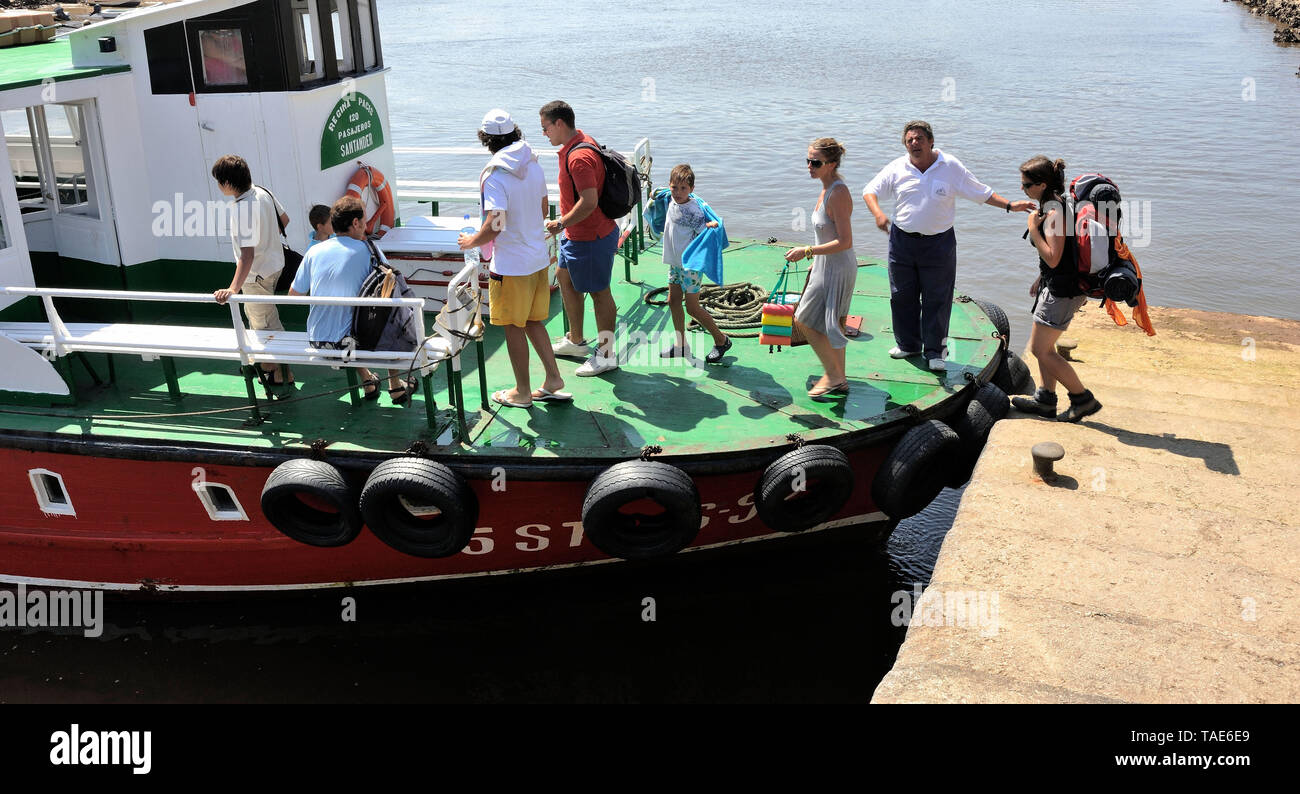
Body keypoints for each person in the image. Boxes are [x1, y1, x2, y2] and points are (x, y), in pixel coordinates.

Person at [863, 121, 1034, 372]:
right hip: (901, 241)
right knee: (901, 296)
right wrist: (878, 214)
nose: (914, 143)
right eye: (909, 140)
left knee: (938, 299)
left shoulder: (950, 166)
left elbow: (980, 192)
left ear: (931, 141)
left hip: (939, 243)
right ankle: (908, 344)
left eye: (919, 138)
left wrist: (1010, 205)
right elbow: (870, 191)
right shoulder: (897, 167)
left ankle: (935, 352)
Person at [457, 109, 569, 409]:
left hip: (510, 266)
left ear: (487, 140)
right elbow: (544, 208)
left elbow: (495, 223)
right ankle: (553, 378)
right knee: (534, 322)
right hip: (536, 259)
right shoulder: (532, 162)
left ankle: (522, 391)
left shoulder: (496, 175)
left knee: (512, 327)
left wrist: (471, 241)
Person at [289, 196, 410, 404]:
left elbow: (293, 296)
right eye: (364, 220)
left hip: (319, 340)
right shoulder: (369, 250)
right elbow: (391, 287)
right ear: (355, 223)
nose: (366, 225)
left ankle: (368, 381)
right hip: (350, 344)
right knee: (389, 313)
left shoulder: (313, 251)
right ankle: (395, 385)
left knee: (346, 320)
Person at [1012, 156, 1103, 422]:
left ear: (1041, 185)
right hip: (1056, 285)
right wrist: (1041, 277)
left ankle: (1082, 399)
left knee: (1040, 350)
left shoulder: (1054, 212)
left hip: (1063, 292)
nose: (1023, 190)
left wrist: (1033, 230)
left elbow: (1053, 255)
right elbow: (1057, 260)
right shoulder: (1054, 203)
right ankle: (1045, 400)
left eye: (1026, 185)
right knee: (1046, 348)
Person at [539, 100, 620, 377]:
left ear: (559, 123)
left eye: (546, 127)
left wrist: (560, 222)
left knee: (600, 293)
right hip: (575, 234)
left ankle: (607, 354)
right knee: (564, 277)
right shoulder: (580, 141)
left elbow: (588, 201)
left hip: (590, 235)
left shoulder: (578, 157)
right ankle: (575, 340)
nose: (544, 133)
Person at [211, 154, 292, 387]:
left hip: (257, 276)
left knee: (265, 324)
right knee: (263, 319)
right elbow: (284, 220)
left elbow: (247, 256)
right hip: (275, 266)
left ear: (228, 183)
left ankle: (282, 373)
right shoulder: (263, 192)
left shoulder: (242, 209)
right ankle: (273, 366)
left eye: (219, 181)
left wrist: (232, 289)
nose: (218, 186)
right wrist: (267, 241)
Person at [784, 138, 856, 399]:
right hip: (826, 264)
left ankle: (833, 375)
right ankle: (841, 379)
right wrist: (816, 258)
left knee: (803, 319)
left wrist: (808, 251)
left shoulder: (838, 193)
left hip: (838, 267)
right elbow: (828, 235)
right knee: (834, 323)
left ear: (832, 164)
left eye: (815, 162)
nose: (809, 166)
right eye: (808, 160)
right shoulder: (826, 189)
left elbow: (845, 241)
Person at [659, 164, 730, 363]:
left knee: (692, 308)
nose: (678, 193)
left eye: (683, 189)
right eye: (674, 187)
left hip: (690, 267)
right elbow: (664, 196)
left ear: (692, 189)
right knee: (673, 301)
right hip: (674, 263)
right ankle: (681, 345)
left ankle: (721, 339)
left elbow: (703, 231)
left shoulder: (693, 210)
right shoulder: (671, 201)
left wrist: (710, 226)